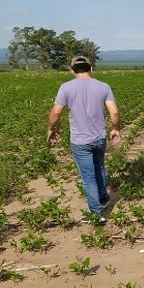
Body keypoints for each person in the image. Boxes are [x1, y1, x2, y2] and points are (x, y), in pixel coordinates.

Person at [47, 56, 121, 223]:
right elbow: (114, 112)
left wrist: (51, 129)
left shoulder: (66, 87)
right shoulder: (104, 86)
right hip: (99, 137)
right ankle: (103, 198)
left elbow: (56, 112)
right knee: (100, 167)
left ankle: (96, 213)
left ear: (72, 70)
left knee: (88, 177)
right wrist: (116, 129)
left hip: (80, 141)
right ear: (91, 69)